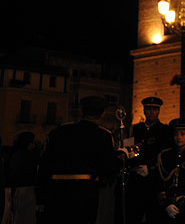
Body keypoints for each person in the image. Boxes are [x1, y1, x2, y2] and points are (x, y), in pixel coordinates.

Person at [36, 96, 123, 224]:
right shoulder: (103, 136)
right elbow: (108, 167)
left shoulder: (60, 131)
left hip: (56, 193)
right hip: (84, 194)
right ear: (102, 113)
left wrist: (41, 198)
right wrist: (121, 160)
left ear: (82, 111)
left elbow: (44, 165)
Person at [127, 96, 173, 224]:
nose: (151, 112)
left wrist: (152, 167)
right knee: (134, 215)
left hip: (155, 181)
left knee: (154, 216)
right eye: (148, 109)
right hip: (136, 179)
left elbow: (167, 156)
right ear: (144, 110)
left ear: (158, 111)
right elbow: (130, 150)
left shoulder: (165, 130)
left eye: (154, 109)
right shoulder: (135, 129)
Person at [156, 118, 185, 224]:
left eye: (182, 134)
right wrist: (166, 204)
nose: (179, 137)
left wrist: (182, 201)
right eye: (176, 134)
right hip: (166, 207)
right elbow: (158, 183)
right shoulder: (165, 156)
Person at [8, 131, 40, 224]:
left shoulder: (16, 154)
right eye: (33, 142)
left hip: (18, 190)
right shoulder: (29, 156)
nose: (34, 145)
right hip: (27, 190)